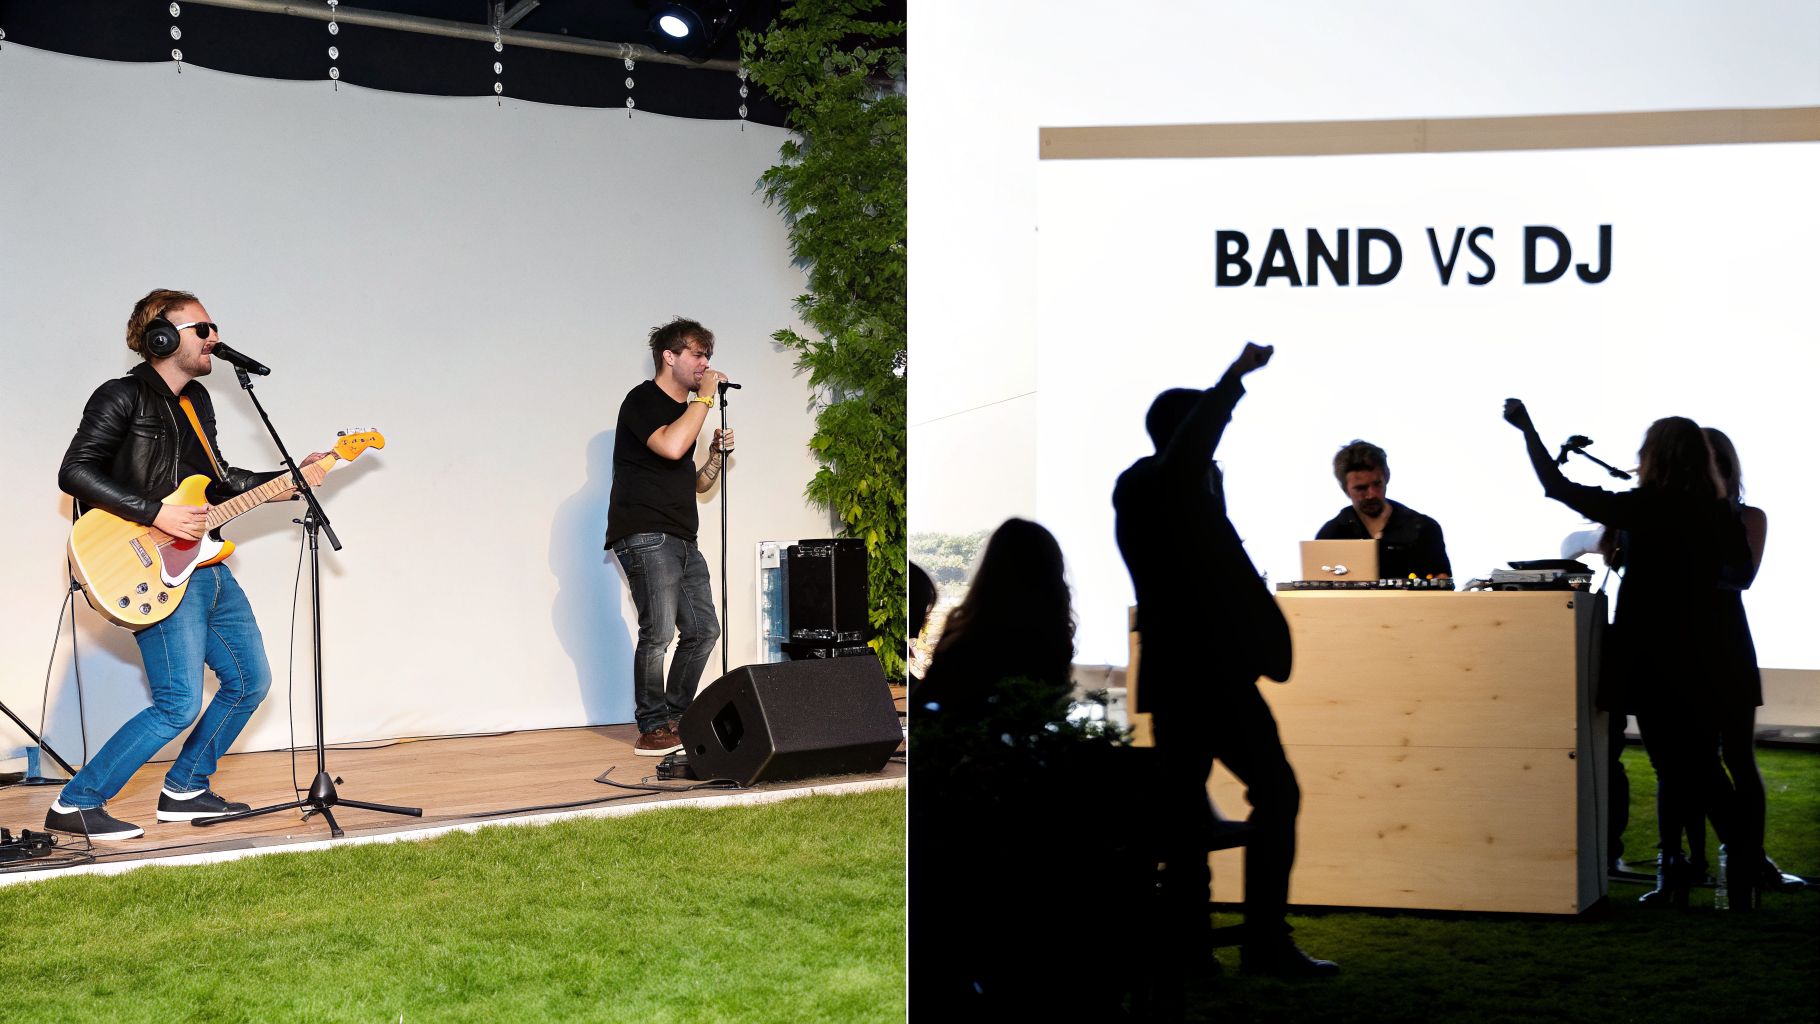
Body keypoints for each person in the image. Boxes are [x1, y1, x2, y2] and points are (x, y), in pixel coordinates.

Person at [48, 289, 322, 841]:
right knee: (178, 703)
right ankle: (76, 803)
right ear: (162, 338)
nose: (214, 338)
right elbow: (75, 472)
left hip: (206, 565)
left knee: (249, 681)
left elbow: (217, 481)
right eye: (203, 328)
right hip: (149, 565)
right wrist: (156, 514)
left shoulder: (197, 401)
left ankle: (186, 790)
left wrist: (290, 483)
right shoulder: (120, 396)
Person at [1114, 342, 1337, 977]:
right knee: (1227, 807)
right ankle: (1240, 944)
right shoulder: (1151, 484)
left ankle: (1217, 946)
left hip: (1204, 677)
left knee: (1210, 809)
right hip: (1201, 679)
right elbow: (1185, 460)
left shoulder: (1174, 491)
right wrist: (1233, 380)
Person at [1504, 400, 1746, 906]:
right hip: (1704, 654)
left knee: (1670, 766)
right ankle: (1737, 868)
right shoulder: (1719, 512)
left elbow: (1557, 488)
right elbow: (1739, 574)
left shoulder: (1645, 506)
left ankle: (1679, 874)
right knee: (1701, 765)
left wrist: (1528, 429)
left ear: (1656, 456)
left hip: (1652, 654)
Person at [604, 317, 732, 756]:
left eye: (708, 356)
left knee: (703, 630)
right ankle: (652, 726)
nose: (705, 363)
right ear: (670, 356)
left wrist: (714, 456)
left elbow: (696, 483)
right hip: (644, 533)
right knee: (658, 631)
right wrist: (704, 400)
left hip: (681, 536)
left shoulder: (687, 414)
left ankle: (677, 717)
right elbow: (672, 447)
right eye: (698, 354)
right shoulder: (642, 400)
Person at [1315, 439, 1451, 579]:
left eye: (1377, 484)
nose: (1371, 494)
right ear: (1345, 489)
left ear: (1386, 476)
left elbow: (1442, 581)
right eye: (1361, 488)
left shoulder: (1424, 528)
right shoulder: (1330, 535)